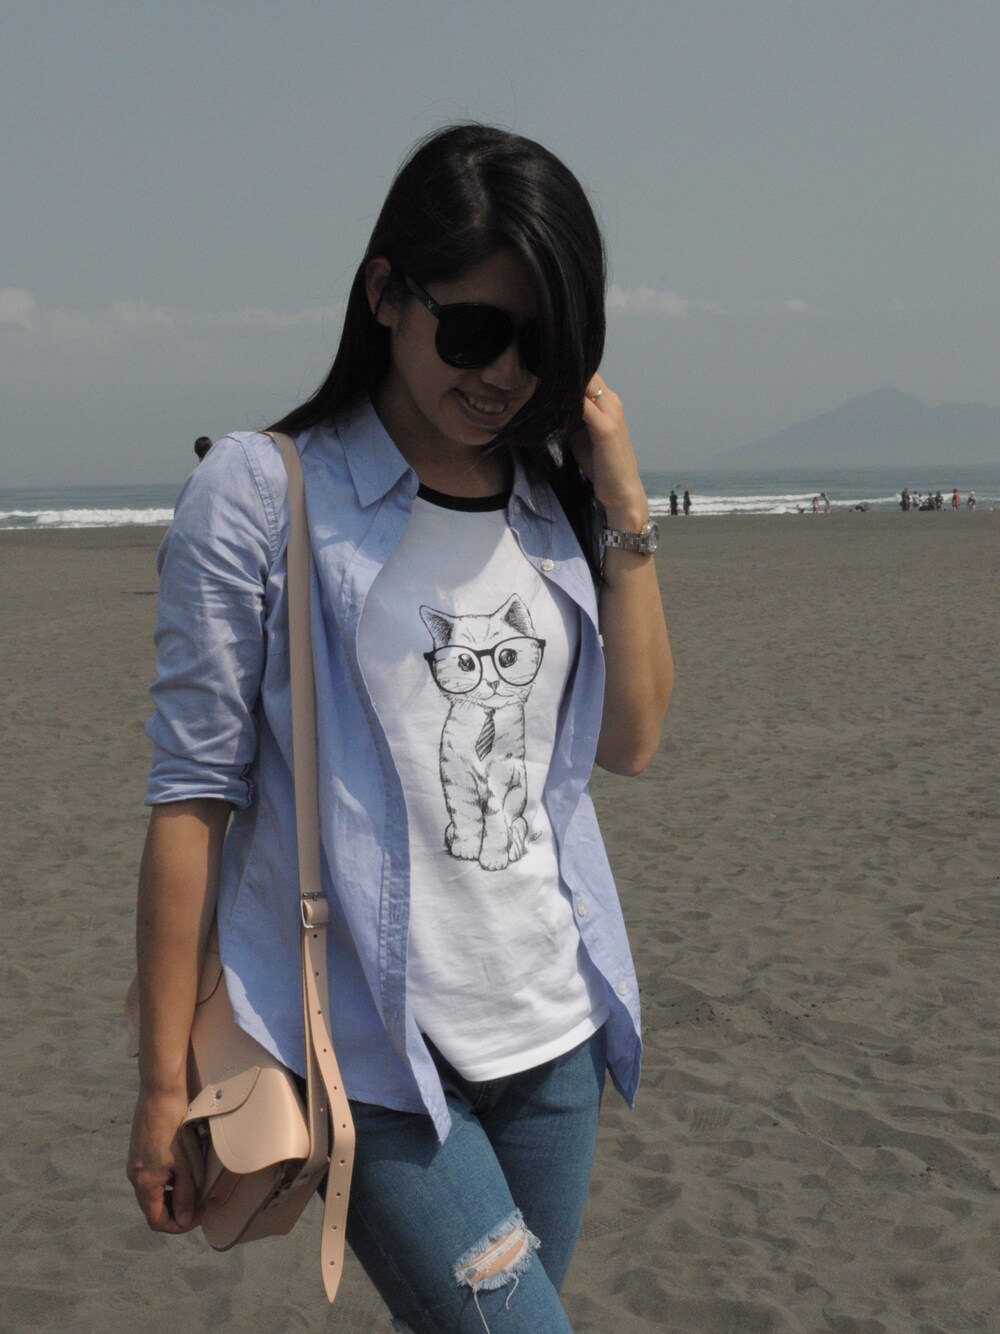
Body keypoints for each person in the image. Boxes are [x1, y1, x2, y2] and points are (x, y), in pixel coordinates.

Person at [126, 124, 672, 1333]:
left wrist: (622, 498)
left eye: (543, 342)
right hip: (363, 1052)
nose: (506, 373)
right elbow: (192, 797)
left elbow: (629, 739)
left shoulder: (548, 500)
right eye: (473, 330)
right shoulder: (262, 494)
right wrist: (162, 1080)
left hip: (552, 1040)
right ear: (384, 293)